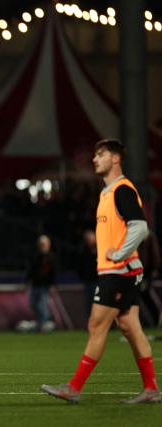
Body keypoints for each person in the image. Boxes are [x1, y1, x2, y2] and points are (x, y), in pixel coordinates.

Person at [41, 139, 160, 404]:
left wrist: (118, 253)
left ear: (116, 159)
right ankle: (151, 388)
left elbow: (140, 227)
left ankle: (74, 388)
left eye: (101, 155)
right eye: (94, 155)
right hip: (120, 270)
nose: (94, 159)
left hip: (119, 271)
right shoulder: (107, 193)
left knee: (97, 325)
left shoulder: (122, 190)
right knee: (130, 327)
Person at [25, 235, 58, 332]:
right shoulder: (35, 256)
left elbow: (54, 272)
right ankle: (45, 321)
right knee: (33, 304)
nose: (42, 246)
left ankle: (43, 325)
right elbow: (31, 270)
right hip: (36, 284)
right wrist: (27, 281)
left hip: (45, 285)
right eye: (40, 244)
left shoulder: (51, 257)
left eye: (44, 244)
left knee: (42, 305)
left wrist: (52, 284)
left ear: (48, 245)